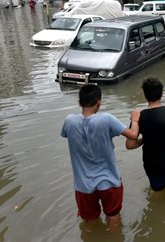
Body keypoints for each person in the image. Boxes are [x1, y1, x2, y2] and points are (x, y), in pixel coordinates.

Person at [61, 84, 140, 228]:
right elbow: (133, 135)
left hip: (83, 185)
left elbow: (71, 136)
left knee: (89, 222)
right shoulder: (106, 119)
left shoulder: (69, 121)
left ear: (79, 102)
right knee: (113, 218)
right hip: (109, 182)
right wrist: (135, 119)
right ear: (99, 103)